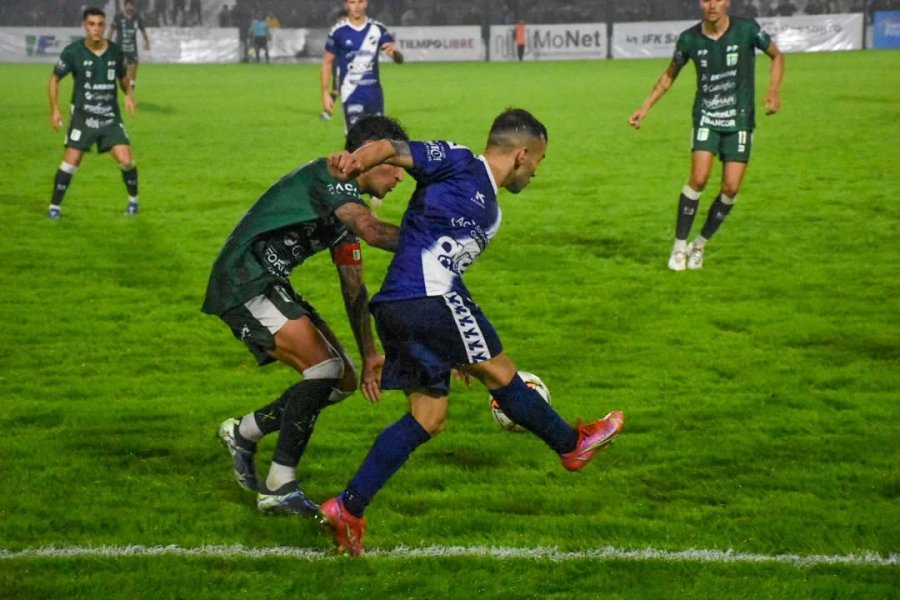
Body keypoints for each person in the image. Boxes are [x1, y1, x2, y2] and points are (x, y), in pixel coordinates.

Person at [317, 108, 626, 556]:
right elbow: (392, 149)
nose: (537, 171)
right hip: (427, 297)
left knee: (428, 417)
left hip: (404, 306)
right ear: (521, 154)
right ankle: (571, 445)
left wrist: (455, 348)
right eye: (539, 160)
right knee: (501, 374)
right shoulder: (461, 161)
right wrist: (355, 162)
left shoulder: (491, 205)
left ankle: (349, 508)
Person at [205, 116, 408, 515]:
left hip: (268, 281)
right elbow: (371, 230)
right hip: (244, 280)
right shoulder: (332, 179)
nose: (400, 177)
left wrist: (370, 354)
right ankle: (280, 484)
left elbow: (354, 287)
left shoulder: (348, 203)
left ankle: (244, 431)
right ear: (367, 156)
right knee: (324, 371)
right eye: (394, 164)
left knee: (344, 379)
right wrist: (436, 238)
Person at [628, 0, 784, 271]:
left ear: (728, 2)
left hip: (740, 120)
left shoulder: (747, 30)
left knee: (731, 188)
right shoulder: (689, 38)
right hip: (706, 118)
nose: (712, 5)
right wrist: (644, 108)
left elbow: (777, 55)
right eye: (706, 0)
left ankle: (698, 245)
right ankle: (679, 247)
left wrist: (773, 90)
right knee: (698, 178)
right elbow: (668, 76)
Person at [47, 6, 139, 220]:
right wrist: (54, 110)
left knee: (126, 160)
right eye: (91, 24)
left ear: (104, 26)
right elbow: (54, 79)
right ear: (84, 26)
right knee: (70, 163)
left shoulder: (115, 52)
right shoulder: (73, 52)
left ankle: (133, 202)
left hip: (109, 117)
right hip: (83, 117)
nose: (96, 29)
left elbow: (122, 76)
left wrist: (128, 94)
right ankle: (54, 206)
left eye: (100, 24)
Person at [320, 0, 404, 130]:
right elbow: (327, 62)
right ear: (346, 5)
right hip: (351, 95)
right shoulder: (338, 31)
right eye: (352, 2)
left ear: (366, 3)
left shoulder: (377, 28)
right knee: (356, 140)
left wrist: (396, 54)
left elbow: (397, 57)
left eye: (360, 1)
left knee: (377, 142)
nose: (357, 6)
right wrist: (325, 93)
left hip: (374, 95)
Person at [108, 0, 150, 92]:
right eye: (128, 6)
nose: (129, 8)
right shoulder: (118, 17)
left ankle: (131, 87)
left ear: (133, 7)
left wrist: (146, 41)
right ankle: (111, 85)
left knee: (134, 66)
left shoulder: (137, 17)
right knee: (117, 68)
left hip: (132, 48)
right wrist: (108, 42)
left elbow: (143, 30)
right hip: (120, 48)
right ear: (124, 6)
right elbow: (111, 30)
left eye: (131, 6)